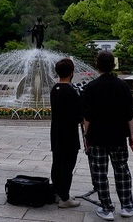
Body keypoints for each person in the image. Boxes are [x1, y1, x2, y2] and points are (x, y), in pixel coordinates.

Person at [82, 50, 133, 220]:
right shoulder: (122, 86)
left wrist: (86, 137)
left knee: (99, 172)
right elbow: (129, 114)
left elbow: (87, 117)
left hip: (97, 136)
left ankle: (106, 208)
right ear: (113, 65)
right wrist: (132, 137)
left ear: (97, 66)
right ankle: (127, 206)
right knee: (122, 170)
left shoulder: (91, 87)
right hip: (118, 136)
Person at [50, 58, 83, 208]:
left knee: (57, 163)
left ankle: (58, 192)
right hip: (68, 134)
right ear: (71, 73)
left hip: (56, 132)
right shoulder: (70, 91)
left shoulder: (54, 89)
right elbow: (76, 117)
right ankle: (65, 198)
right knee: (67, 166)